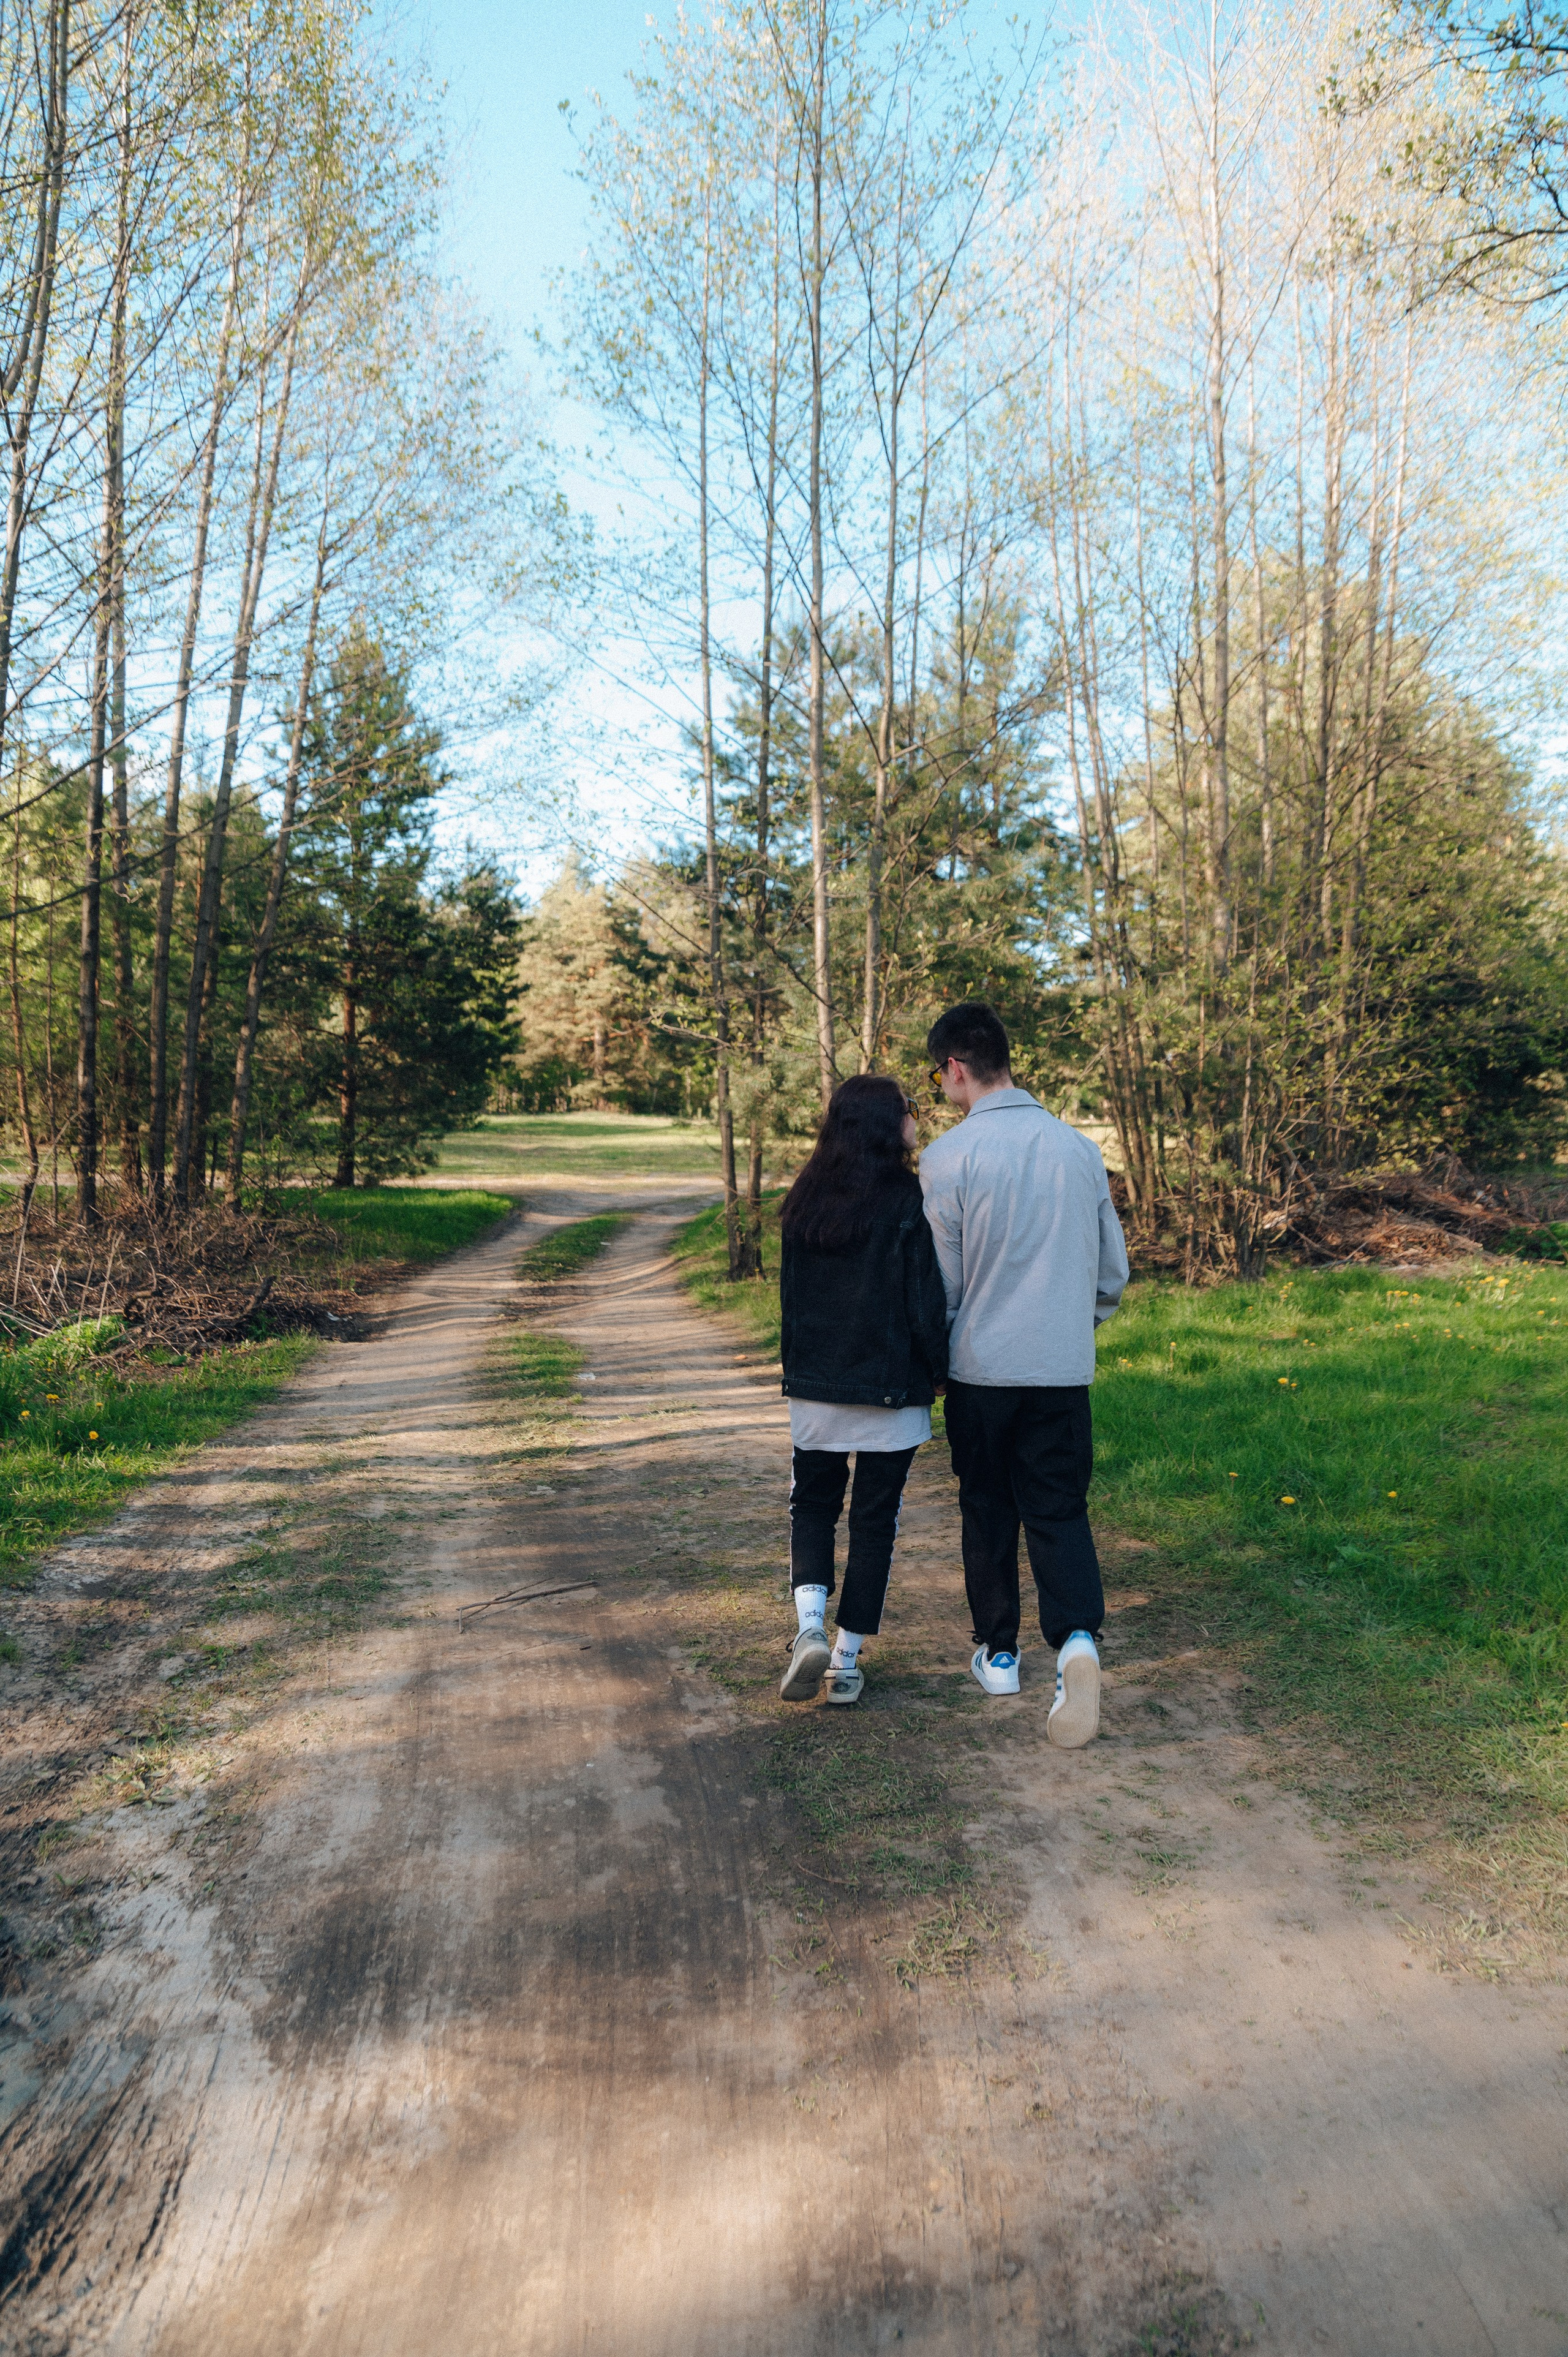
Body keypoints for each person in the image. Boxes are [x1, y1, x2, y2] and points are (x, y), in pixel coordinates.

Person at [918, 1001, 1129, 1744]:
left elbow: (942, 1283)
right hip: (1060, 1368)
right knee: (1058, 1508)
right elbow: (1111, 1273)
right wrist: (1072, 1324)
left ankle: (999, 1654)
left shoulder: (946, 1158)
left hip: (980, 1369)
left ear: (954, 1068)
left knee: (986, 1506)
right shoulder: (1079, 1150)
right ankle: (1076, 1642)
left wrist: (937, 1357)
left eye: (937, 1075)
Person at [777, 1073, 950, 1707]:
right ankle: (845, 1662)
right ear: (885, 1122)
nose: (915, 1116)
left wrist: (797, 1373)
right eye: (909, 1107)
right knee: (876, 1522)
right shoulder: (907, 1199)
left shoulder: (804, 1197)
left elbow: (790, 1301)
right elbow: (922, 1302)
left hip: (816, 1387)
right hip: (889, 1390)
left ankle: (809, 1627)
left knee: (812, 1505)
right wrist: (939, 1370)